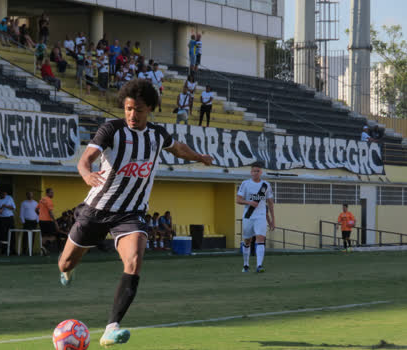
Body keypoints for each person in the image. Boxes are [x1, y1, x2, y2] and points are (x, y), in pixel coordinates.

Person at [57, 79, 213, 346]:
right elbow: (86, 158)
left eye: (138, 110)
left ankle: (111, 328)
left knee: (134, 261)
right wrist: (86, 173)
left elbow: (178, 148)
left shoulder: (156, 135)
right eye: (128, 108)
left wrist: (199, 157)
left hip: (130, 213)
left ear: (150, 109)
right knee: (66, 263)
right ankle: (67, 271)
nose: (132, 114)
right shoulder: (111, 130)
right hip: (96, 210)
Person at [236, 162, 275, 273]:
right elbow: (238, 200)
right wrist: (249, 202)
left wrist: (272, 220)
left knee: (260, 239)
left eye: (258, 171)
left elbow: (270, 204)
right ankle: (246, 264)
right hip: (248, 216)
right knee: (247, 241)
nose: (256, 173)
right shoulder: (245, 184)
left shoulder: (266, 185)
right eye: (254, 171)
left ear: (261, 172)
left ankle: (259, 266)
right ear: (251, 172)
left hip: (261, 217)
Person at [36, 188, 60, 253]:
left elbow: (36, 209)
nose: (53, 194)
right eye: (51, 193)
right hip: (48, 220)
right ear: (47, 193)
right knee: (53, 236)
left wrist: (40, 215)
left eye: (53, 192)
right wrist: (55, 221)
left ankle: (44, 248)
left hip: (41, 220)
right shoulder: (49, 200)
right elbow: (50, 212)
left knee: (44, 236)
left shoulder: (41, 200)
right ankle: (46, 246)